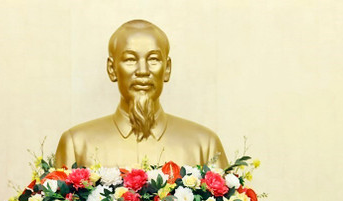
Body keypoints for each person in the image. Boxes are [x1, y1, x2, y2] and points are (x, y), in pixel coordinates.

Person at [55, 19, 228, 169]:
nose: (143, 71)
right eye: (130, 59)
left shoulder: (204, 145)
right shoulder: (76, 144)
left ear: (167, 69)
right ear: (112, 69)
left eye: (153, 59)